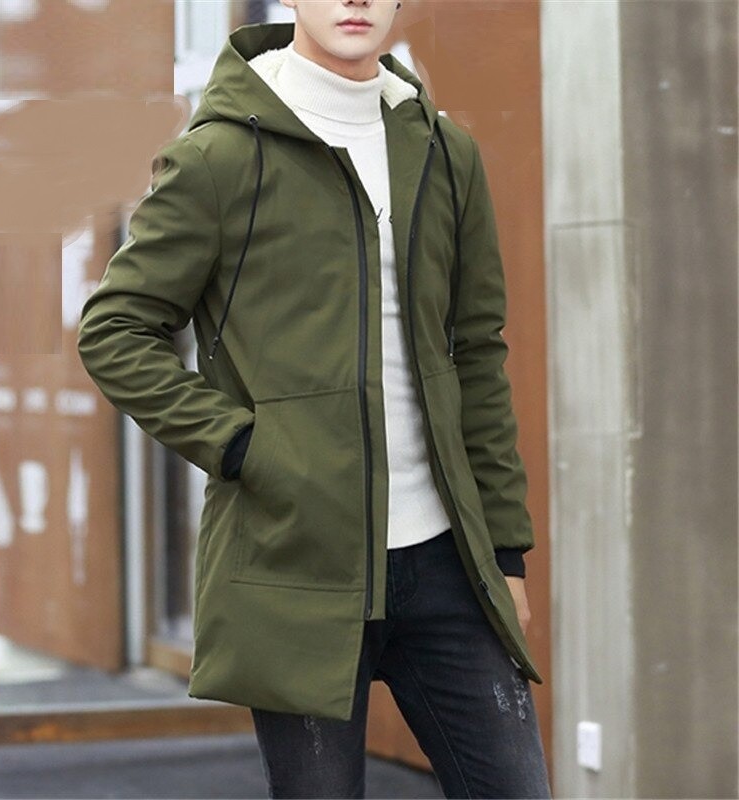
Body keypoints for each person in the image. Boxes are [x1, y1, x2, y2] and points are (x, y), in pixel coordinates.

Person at [77, 1, 552, 797]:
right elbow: (114, 331)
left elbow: (475, 352)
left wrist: (504, 551)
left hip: (446, 562)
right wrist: (242, 445)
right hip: (295, 557)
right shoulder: (218, 158)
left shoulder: (444, 152)